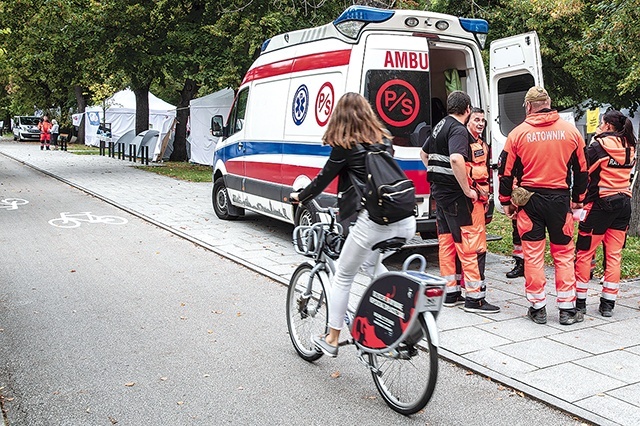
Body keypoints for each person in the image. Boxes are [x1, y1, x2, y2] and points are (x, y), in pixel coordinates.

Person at [290, 92, 416, 357]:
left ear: (340, 117)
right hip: (405, 218)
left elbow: (322, 180)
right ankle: (400, 314)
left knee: (344, 275)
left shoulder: (346, 146)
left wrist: (300, 198)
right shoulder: (383, 140)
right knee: (371, 265)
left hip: (374, 220)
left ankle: (333, 338)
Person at [498, 86, 588, 325]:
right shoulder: (571, 132)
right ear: (549, 103)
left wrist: (506, 201)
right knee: (564, 254)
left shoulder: (517, 134)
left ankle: (537, 308)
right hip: (560, 200)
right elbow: (582, 170)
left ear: (528, 106)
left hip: (530, 201)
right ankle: (567, 309)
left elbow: (505, 173)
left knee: (533, 255)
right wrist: (578, 199)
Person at [421, 93, 500, 313]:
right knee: (470, 245)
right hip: (457, 197)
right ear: (467, 109)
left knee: (446, 243)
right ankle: (475, 299)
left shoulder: (439, 126)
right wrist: (466, 189)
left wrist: (438, 175)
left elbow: (424, 154)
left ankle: (451, 292)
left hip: (441, 195)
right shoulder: (458, 129)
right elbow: (456, 159)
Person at [575, 110, 636, 317]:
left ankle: (580, 302)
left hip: (599, 205)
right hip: (623, 204)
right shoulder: (631, 146)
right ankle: (608, 304)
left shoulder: (599, 146)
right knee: (614, 255)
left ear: (608, 126)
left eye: (602, 123)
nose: (600, 126)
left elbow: (584, 171)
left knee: (584, 252)